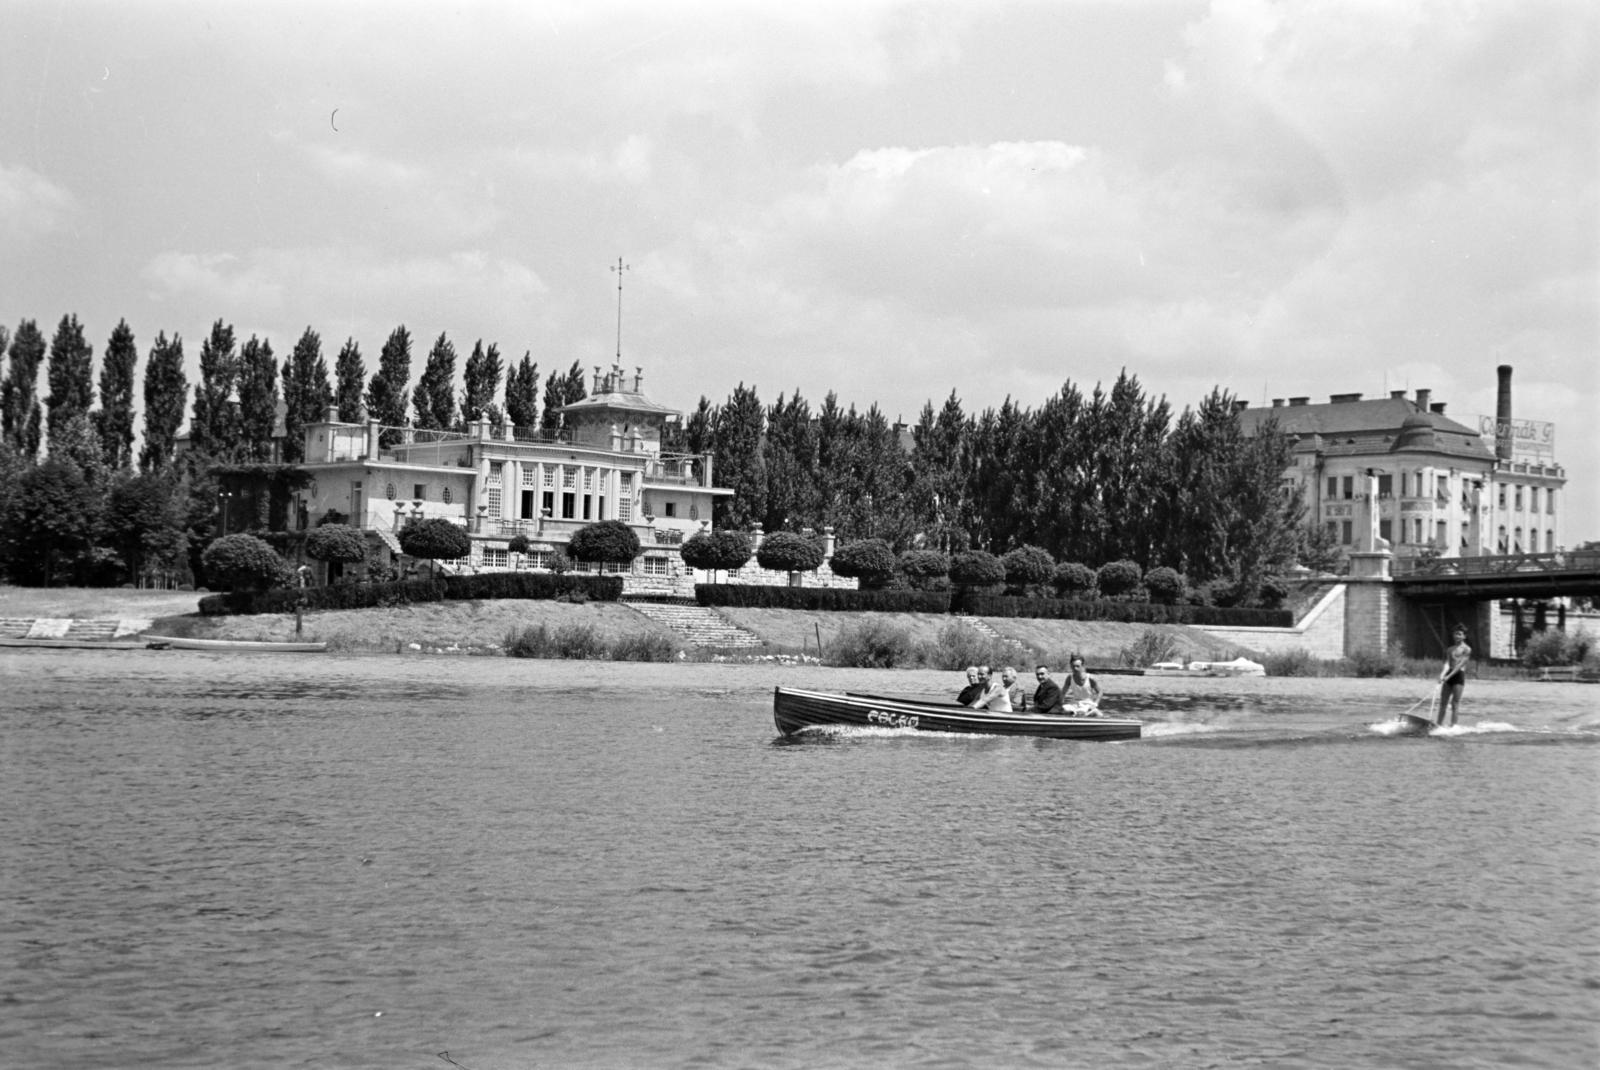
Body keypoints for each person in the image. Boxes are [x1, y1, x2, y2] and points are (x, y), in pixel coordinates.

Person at [1437, 626, 1471, 727]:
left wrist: (1448, 676)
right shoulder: (1450, 649)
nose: (1457, 636)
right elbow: (1447, 664)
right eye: (1455, 634)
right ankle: (1438, 725)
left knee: (1454, 704)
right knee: (1443, 703)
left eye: (1459, 634)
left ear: (1464, 636)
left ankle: (1453, 726)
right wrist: (1442, 674)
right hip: (1448, 675)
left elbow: (1460, 665)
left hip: (1458, 676)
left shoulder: (1467, 649)